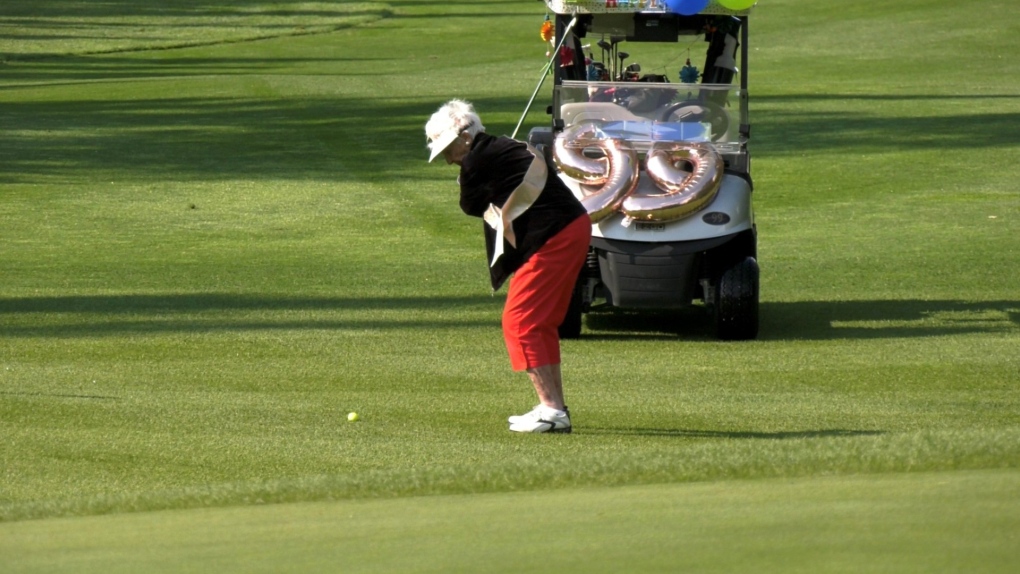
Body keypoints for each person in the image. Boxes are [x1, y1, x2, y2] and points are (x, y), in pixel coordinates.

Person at [424, 99, 591, 434]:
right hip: (568, 231)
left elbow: (470, 206)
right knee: (538, 323)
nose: (446, 158)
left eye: (448, 148)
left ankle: (553, 411)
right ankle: (553, 407)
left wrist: (467, 179)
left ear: (466, 138)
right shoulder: (497, 148)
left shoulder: (478, 159)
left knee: (521, 322)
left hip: (555, 237)